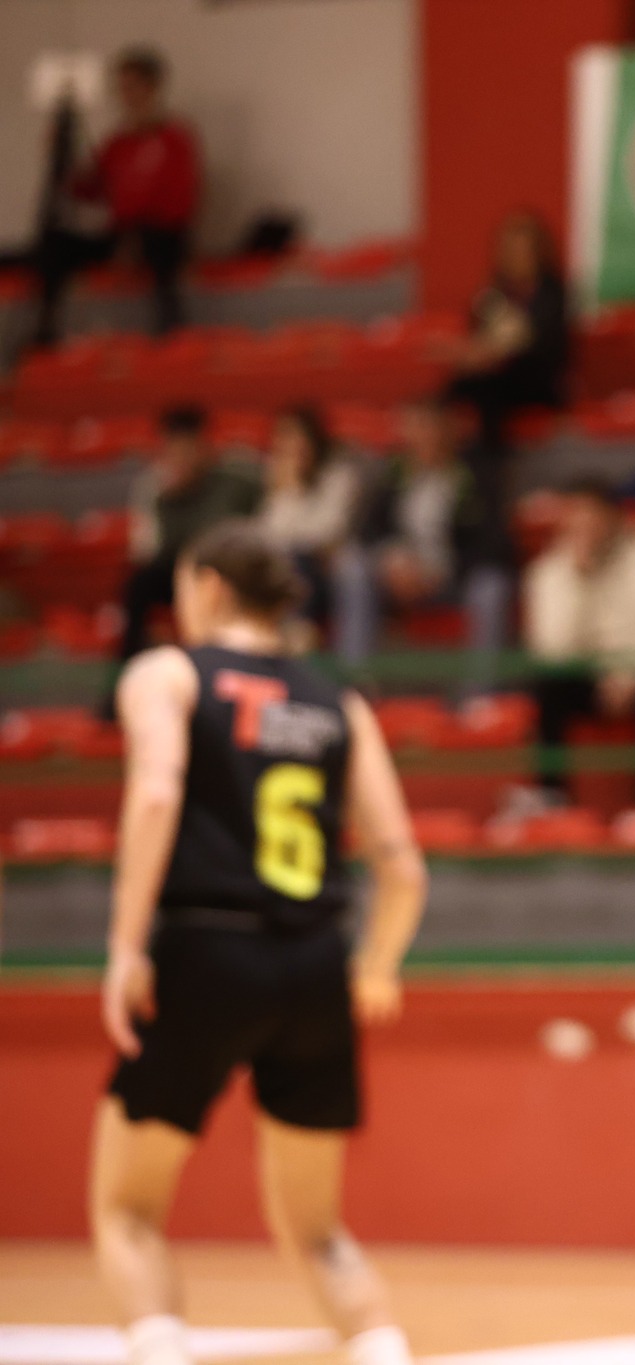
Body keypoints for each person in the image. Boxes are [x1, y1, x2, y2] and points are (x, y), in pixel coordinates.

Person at [95, 521, 424, 1365]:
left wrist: (126, 946)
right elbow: (403, 866)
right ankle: (382, 1348)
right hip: (315, 963)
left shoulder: (167, 673)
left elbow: (156, 796)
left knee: (126, 1210)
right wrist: (377, 967)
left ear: (207, 585)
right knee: (316, 1229)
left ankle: (160, 1349)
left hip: (206, 949)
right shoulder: (340, 702)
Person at [524, 478, 635, 808]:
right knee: (548, 687)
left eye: (593, 516)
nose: (586, 527)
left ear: (615, 518)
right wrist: (579, 581)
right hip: (588, 676)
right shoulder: (549, 571)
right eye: (577, 518)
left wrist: (633, 674)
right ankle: (551, 799)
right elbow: (551, 648)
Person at [331, 399, 512, 683]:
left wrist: (441, 570)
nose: (425, 439)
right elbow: (367, 531)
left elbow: (495, 543)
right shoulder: (393, 475)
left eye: (431, 429)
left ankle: (480, 695)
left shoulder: (477, 476)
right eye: (417, 430)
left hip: (454, 578)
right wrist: (393, 560)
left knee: (491, 587)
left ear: (449, 432)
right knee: (352, 567)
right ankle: (355, 683)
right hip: (400, 577)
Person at [31, 48, 200, 346]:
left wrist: (133, 233)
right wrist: (61, 159)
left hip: (160, 234)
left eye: (132, 86)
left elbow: (179, 199)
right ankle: (45, 331)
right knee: (55, 243)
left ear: (152, 87)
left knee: (160, 246)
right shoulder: (119, 142)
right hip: (120, 232)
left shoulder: (174, 139)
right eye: (121, 87)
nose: (125, 95)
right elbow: (91, 188)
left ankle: (172, 333)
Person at [118, 407, 262, 670]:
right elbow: (150, 551)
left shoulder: (237, 480)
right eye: (175, 449)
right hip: (179, 570)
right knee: (140, 583)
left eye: (188, 448)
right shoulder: (158, 489)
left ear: (203, 445)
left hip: (227, 570)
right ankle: (125, 669)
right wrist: (170, 502)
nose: (182, 456)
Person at [443, 211, 571, 447]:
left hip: (534, 378)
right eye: (511, 250)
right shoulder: (492, 294)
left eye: (523, 250)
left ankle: (490, 458)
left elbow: (539, 344)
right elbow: (479, 337)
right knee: (456, 387)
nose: (516, 257)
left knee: (489, 387)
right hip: (492, 374)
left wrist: (493, 354)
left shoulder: (554, 295)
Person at [256, 407, 359, 632]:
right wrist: (287, 491)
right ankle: (292, 641)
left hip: (327, 572)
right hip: (291, 568)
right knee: (288, 564)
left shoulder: (338, 476)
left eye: (295, 437)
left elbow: (329, 532)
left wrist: (293, 491)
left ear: (313, 440)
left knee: (298, 562)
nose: (290, 447)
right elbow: (269, 537)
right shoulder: (277, 479)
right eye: (283, 438)